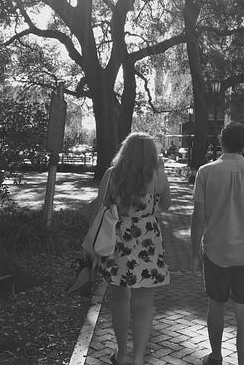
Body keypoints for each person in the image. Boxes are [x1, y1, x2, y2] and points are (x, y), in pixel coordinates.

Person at [191, 121, 244, 365]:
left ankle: (216, 356)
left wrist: (194, 253)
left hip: (215, 250)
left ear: (220, 141)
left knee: (215, 306)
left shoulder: (205, 172)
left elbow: (198, 216)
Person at [96, 132, 172, 365]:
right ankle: (138, 358)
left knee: (120, 297)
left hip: (118, 239)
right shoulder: (157, 176)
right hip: (148, 240)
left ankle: (121, 354)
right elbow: (166, 205)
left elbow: (101, 206)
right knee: (144, 303)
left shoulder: (112, 175)